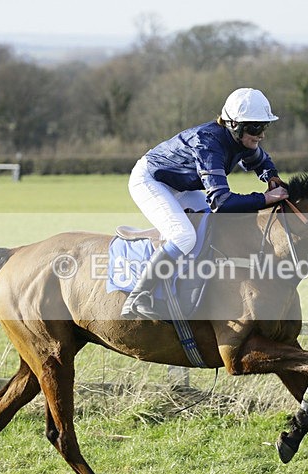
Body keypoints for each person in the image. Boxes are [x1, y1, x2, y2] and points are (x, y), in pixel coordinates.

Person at [121, 87, 289, 319]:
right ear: (233, 125)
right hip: (150, 180)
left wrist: (271, 177)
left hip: (180, 186)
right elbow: (222, 202)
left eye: (264, 127)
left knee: (214, 225)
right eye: (255, 127)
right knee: (184, 236)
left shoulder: (240, 140)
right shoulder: (208, 143)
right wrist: (265, 199)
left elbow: (261, 160)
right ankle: (138, 297)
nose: (261, 134)